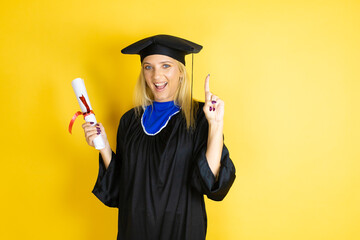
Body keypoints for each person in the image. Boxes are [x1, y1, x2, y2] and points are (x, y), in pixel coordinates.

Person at [82, 34, 236, 240]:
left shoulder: (200, 116)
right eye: (148, 67)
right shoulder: (130, 121)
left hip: (181, 229)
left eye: (166, 66)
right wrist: (103, 147)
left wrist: (215, 125)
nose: (156, 76)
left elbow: (211, 183)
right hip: (134, 230)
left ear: (181, 72)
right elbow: (122, 189)